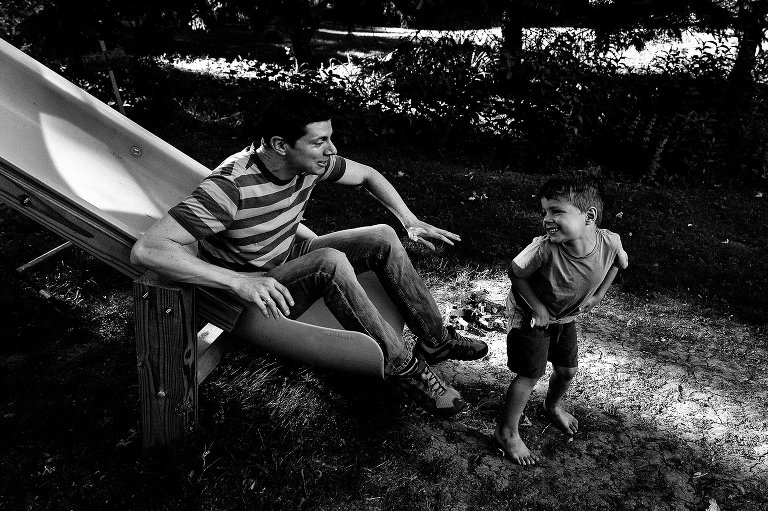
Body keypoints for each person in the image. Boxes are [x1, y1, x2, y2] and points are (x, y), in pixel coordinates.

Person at [130, 89, 488, 417]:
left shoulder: (309, 164)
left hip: (287, 258)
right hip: (254, 290)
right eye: (319, 142)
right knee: (330, 261)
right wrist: (238, 281)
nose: (331, 149)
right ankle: (404, 369)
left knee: (382, 235)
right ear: (280, 145)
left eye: (329, 138)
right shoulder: (230, 187)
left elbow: (368, 175)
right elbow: (148, 249)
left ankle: (437, 341)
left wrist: (409, 221)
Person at [493, 173, 629, 465]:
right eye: (544, 211)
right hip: (530, 316)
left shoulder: (610, 242)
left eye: (556, 211)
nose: (546, 219)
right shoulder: (544, 248)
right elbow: (516, 272)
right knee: (530, 374)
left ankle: (552, 405)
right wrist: (537, 307)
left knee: (567, 370)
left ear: (589, 216)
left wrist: (598, 296)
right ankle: (506, 432)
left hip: (565, 317)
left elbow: (618, 263)